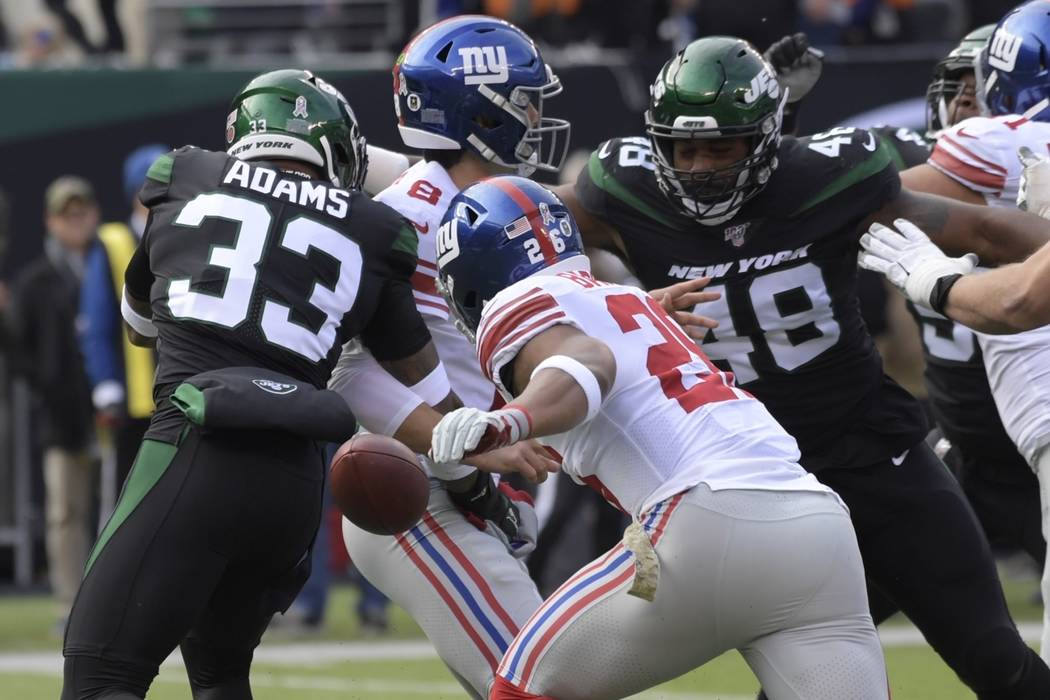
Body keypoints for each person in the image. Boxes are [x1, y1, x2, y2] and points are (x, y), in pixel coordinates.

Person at [554, 34, 1050, 698]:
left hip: (873, 458)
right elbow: (521, 240)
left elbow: (984, 231)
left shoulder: (828, 179)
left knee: (996, 661)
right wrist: (622, 305)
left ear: (765, 137)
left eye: (720, 146)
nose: (698, 167)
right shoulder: (624, 191)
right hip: (751, 480)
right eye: (683, 147)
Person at [60, 68, 464, 700]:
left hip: (194, 450)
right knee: (221, 677)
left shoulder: (186, 174)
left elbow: (139, 325)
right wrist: (479, 468)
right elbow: (431, 386)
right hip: (292, 486)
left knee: (101, 673)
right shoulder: (375, 229)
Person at [429, 176, 887, 700]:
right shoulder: (630, 302)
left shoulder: (517, 304)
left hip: (709, 516)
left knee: (523, 688)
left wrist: (511, 419)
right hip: (819, 526)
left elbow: (588, 364)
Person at [328, 17, 568, 698]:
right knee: (552, 683)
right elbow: (350, 369)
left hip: (469, 488)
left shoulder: (474, 203)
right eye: (525, 101)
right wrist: (461, 440)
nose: (537, 116)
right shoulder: (404, 218)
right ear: (480, 112)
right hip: (420, 492)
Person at [860, 0, 1050, 664]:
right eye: (959, 97)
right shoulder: (956, 162)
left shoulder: (1000, 147)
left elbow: (1019, 299)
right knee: (834, 604)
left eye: (979, 94)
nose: (968, 113)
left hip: (1033, 450)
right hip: (966, 449)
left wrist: (931, 279)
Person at [8, 176, 98, 632]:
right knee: (66, 511)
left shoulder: (112, 267)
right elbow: (19, 350)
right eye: (68, 213)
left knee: (122, 507)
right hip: (63, 418)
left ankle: (116, 602)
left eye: (82, 211)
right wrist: (48, 385)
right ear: (50, 221)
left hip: (116, 413)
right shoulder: (34, 281)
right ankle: (70, 605)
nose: (76, 220)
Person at [80, 144, 169, 494]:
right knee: (127, 496)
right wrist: (105, 383)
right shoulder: (112, 241)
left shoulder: (189, 233)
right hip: (131, 401)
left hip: (179, 393)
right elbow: (97, 319)